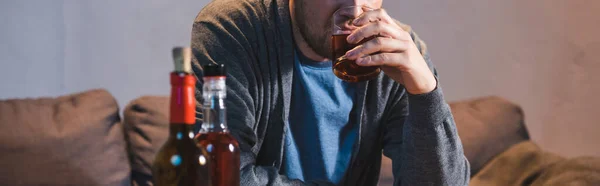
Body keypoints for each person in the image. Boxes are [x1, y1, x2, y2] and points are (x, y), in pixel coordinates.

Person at [190, 0, 470, 185]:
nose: (355, 9)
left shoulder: (399, 51)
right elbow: (223, 175)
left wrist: (424, 90)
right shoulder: (233, 29)